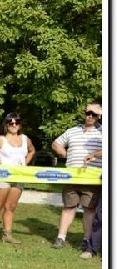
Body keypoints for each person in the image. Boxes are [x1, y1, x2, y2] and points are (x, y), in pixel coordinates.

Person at [50, 102, 103, 258]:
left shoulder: (104, 132)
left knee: (89, 209)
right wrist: (63, 152)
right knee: (69, 206)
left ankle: (86, 240)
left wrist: (95, 153)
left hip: (92, 178)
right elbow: (56, 143)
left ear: (99, 115)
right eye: (88, 113)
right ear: (84, 113)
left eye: (94, 114)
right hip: (71, 176)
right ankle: (61, 237)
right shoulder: (72, 131)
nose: (90, 116)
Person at [0, 112, 35, 244]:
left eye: (17, 122)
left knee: (11, 207)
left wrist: (25, 163)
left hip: (19, 176)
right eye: (11, 123)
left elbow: (32, 151)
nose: (14, 125)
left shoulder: (25, 139)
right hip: (2, 175)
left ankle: (7, 234)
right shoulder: (0, 139)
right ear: (7, 124)